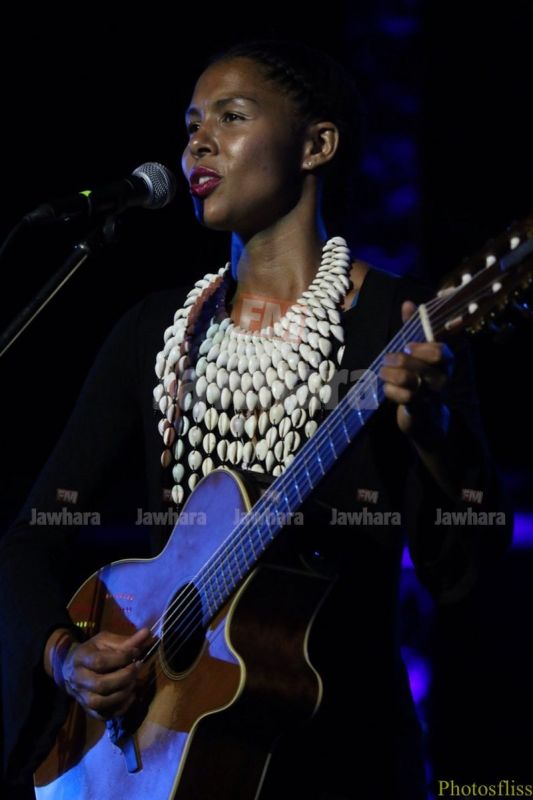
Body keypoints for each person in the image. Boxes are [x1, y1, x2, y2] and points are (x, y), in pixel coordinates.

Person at [0, 39, 511, 800]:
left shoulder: (398, 326)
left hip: (342, 759)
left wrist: (439, 444)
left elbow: (467, 572)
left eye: (231, 117)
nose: (197, 143)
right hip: (168, 760)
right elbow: (28, 542)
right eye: (191, 124)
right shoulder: (157, 335)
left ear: (317, 144)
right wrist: (62, 656)